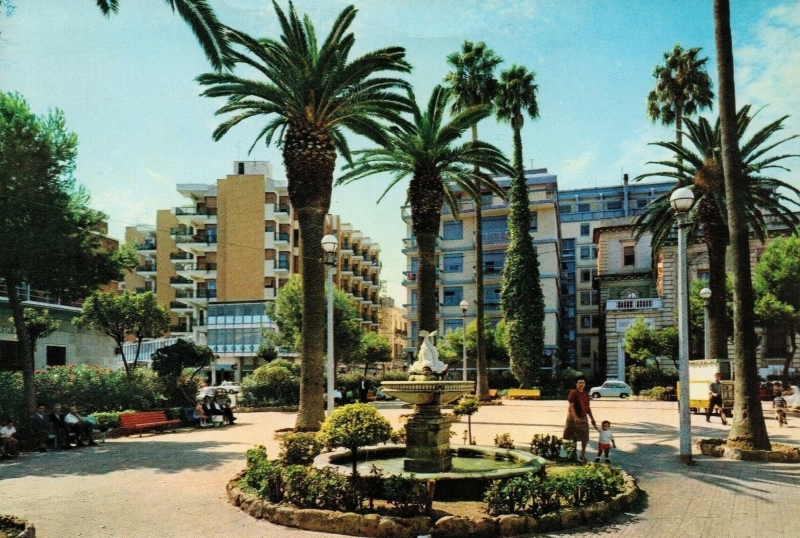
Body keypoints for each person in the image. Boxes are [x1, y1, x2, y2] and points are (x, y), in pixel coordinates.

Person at [563, 376, 596, 461]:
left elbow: (588, 407)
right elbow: (571, 407)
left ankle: (582, 455)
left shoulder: (586, 394)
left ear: (585, 384)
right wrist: (575, 417)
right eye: (579, 382)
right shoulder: (573, 393)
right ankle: (570, 455)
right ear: (576, 384)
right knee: (571, 438)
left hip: (583, 418)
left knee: (585, 438)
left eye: (583, 383)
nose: (581, 384)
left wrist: (592, 418)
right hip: (572, 418)